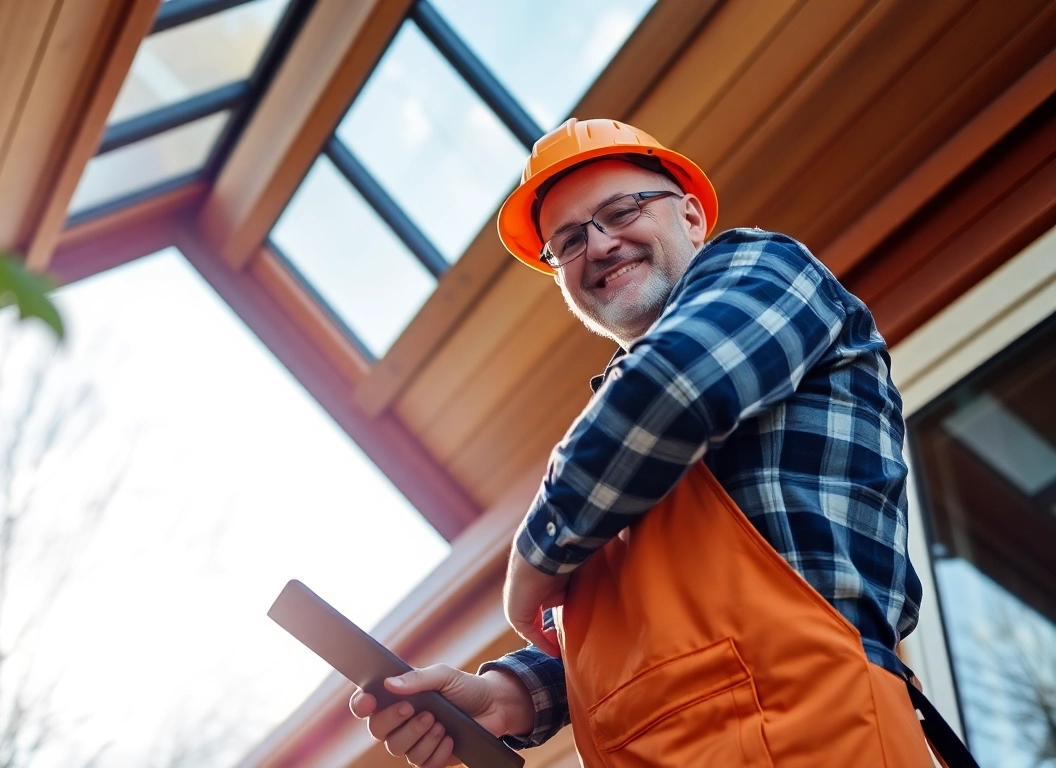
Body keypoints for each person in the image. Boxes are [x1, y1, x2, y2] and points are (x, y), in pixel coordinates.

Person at [349, 119, 975, 767]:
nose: (597, 245)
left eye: (619, 211)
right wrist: (508, 694)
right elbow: (668, 632)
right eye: (567, 241)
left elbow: (677, 388)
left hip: (808, 733)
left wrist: (534, 559)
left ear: (694, 218)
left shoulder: (763, 270)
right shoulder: (614, 454)